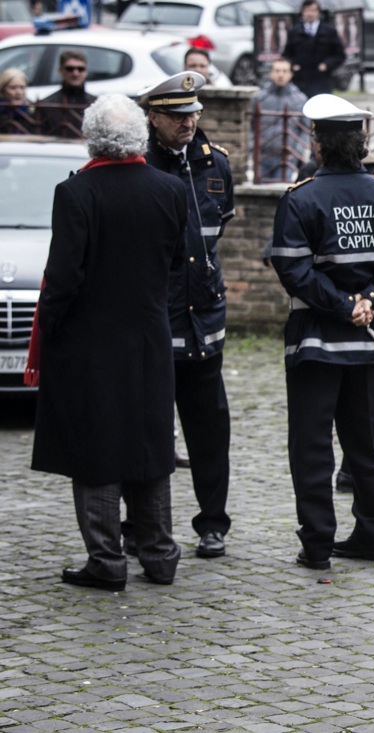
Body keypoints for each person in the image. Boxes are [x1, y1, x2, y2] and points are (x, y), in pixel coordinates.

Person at [31, 94, 187, 591]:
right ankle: (160, 556)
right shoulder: (169, 188)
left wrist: (49, 332)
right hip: (149, 333)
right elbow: (177, 266)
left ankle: (107, 560)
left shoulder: (77, 193)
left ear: (92, 136)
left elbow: (63, 277)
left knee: (97, 448)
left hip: (91, 340)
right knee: (149, 443)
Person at [271, 94, 374, 571]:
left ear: (317, 143)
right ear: (361, 144)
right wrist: (370, 303)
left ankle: (317, 544)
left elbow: (293, 270)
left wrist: (341, 305)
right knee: (362, 444)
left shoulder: (301, 196)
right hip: (370, 342)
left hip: (315, 342)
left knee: (311, 448)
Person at [136, 71, 236, 560]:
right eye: (177, 115)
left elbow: (218, 237)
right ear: (152, 117)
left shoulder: (215, 165)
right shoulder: (138, 167)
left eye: (193, 112)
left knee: (210, 429)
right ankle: (143, 525)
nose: (188, 122)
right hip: (158, 319)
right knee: (148, 429)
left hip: (205, 319)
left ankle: (212, 523)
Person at [253, 57, 310, 183]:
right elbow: (251, 126)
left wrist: (297, 151)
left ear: (290, 74)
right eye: (277, 70)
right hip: (263, 157)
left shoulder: (300, 99)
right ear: (270, 73)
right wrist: (252, 148)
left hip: (287, 158)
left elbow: (306, 129)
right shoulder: (260, 98)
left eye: (284, 71)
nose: (280, 74)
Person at [283, 0, 347, 97]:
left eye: (313, 11)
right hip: (300, 78)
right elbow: (287, 54)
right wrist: (293, 65)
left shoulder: (329, 31)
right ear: (302, 13)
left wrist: (327, 64)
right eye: (307, 11)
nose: (310, 14)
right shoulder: (295, 31)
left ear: (318, 13)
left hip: (322, 78)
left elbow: (339, 54)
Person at [38, 50, 96, 139]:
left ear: (86, 71)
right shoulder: (47, 105)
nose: (75, 73)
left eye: (80, 69)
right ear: (61, 70)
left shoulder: (96, 104)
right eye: (70, 69)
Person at [0, 68, 32, 134]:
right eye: (13, 88)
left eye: (22, 87)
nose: (19, 92)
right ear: (3, 90)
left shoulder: (32, 111)